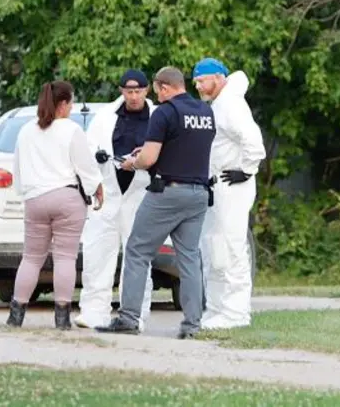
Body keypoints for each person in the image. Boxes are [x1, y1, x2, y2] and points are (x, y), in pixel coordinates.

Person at [95, 66, 216, 339]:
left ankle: (128, 319)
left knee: (137, 250)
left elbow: (148, 160)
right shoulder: (206, 113)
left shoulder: (165, 112)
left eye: (157, 90)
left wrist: (132, 162)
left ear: (163, 87)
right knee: (189, 259)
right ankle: (193, 324)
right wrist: (151, 153)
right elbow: (184, 147)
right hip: (198, 194)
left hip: (167, 193)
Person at [6, 80, 104, 330]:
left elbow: (18, 168)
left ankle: (16, 315)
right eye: (70, 103)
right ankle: (62, 319)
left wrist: (26, 192)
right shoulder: (71, 130)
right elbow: (85, 166)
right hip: (67, 198)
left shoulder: (26, 130)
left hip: (36, 200)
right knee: (65, 259)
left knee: (30, 258)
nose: (71, 108)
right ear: (62, 104)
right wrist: (96, 188)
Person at [74, 69, 156, 331]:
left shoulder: (157, 116)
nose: (133, 96)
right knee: (98, 252)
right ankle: (94, 311)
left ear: (146, 91)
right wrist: (97, 160)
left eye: (138, 91)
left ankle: (135, 314)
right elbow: (88, 148)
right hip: (107, 193)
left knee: (138, 255)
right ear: (121, 91)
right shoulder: (105, 117)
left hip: (140, 193)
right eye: (129, 92)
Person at [192, 57, 266, 329]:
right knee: (214, 247)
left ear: (218, 78)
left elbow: (253, 141)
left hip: (232, 185)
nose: (198, 86)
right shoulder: (219, 104)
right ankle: (216, 309)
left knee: (232, 247)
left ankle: (236, 313)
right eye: (196, 82)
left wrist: (246, 170)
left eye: (201, 81)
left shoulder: (231, 104)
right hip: (217, 185)